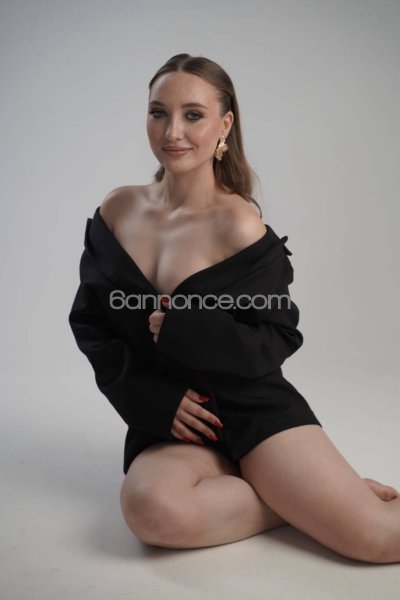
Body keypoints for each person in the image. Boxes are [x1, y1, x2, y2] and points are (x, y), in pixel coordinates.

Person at [68, 53, 400, 563]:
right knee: (151, 510)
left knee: (379, 539)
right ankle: (298, 502)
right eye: (158, 113)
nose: (172, 131)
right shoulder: (118, 210)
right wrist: (151, 398)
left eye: (193, 115)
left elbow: (277, 337)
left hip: (252, 408)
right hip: (174, 418)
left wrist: (188, 329)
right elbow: (91, 324)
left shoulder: (240, 225)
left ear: (224, 125)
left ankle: (313, 498)